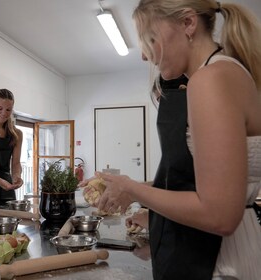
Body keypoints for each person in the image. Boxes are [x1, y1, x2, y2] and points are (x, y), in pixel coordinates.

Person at [92, 1, 261, 279]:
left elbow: (219, 214)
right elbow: (209, 185)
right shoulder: (227, 71)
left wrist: (132, 188)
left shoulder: (211, 79)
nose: (145, 57)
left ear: (187, 24)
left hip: (221, 260)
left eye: (151, 39)